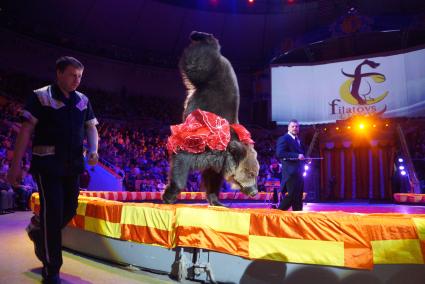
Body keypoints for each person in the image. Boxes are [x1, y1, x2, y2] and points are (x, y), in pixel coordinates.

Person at [7, 56, 99, 284]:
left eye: (80, 76)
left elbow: (91, 128)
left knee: (70, 209)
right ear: (58, 73)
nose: (76, 80)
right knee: (53, 214)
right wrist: (15, 166)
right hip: (47, 165)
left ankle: (38, 230)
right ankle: (52, 270)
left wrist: (94, 149)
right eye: (72, 75)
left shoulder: (83, 100)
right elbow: (26, 131)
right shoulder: (41, 96)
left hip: (73, 166)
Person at [275, 119, 306, 211]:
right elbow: (280, 153)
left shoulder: (298, 140)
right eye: (292, 126)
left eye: (296, 126)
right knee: (292, 196)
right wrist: (297, 156)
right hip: (291, 173)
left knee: (298, 197)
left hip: (299, 172)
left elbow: (300, 155)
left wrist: (305, 160)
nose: (295, 128)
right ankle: (277, 214)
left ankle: (298, 217)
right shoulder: (284, 138)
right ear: (288, 128)